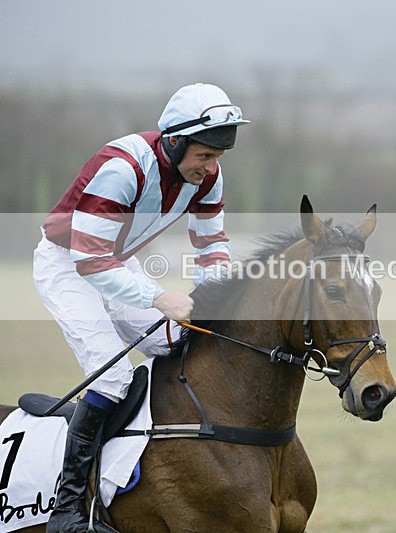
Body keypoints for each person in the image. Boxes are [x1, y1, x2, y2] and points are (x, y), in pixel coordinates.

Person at [33, 83, 249, 533]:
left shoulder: (207, 176)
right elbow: (89, 259)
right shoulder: (123, 167)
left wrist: (215, 298)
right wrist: (159, 297)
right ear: (174, 141)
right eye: (204, 157)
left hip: (117, 263)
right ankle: (68, 509)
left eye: (217, 159)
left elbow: (211, 245)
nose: (210, 169)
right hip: (68, 263)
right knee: (112, 378)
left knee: (178, 339)